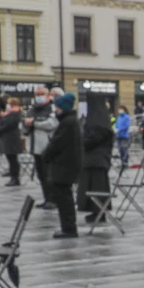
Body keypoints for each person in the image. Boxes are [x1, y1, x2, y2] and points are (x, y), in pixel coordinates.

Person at [42, 93, 82, 238]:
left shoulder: (68, 122)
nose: (55, 110)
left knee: (64, 199)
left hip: (64, 166)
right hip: (66, 166)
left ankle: (69, 228)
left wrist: (45, 156)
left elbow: (57, 144)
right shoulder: (70, 121)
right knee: (65, 197)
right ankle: (68, 227)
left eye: (57, 107)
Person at [79, 100, 114, 223]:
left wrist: (81, 141)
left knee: (97, 188)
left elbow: (93, 140)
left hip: (98, 161)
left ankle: (99, 213)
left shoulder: (100, 124)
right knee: (92, 188)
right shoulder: (99, 121)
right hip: (94, 160)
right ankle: (95, 212)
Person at [27, 87, 60, 209]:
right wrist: (26, 124)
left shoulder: (52, 108)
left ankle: (53, 200)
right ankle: (47, 198)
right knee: (41, 175)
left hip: (47, 147)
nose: (38, 96)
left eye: (41, 94)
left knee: (49, 175)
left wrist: (34, 123)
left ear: (48, 96)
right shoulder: (33, 109)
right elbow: (24, 124)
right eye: (37, 94)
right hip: (35, 146)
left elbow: (52, 124)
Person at [0, 97, 23, 186]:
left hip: (11, 139)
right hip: (8, 139)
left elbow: (8, 125)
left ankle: (15, 178)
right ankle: (12, 175)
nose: (7, 105)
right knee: (10, 159)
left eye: (9, 103)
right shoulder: (10, 113)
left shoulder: (14, 114)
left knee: (13, 159)